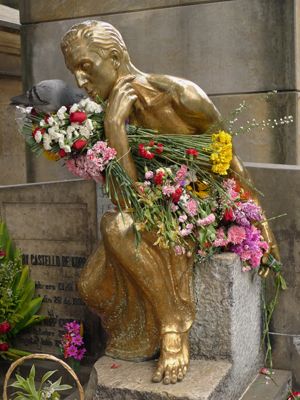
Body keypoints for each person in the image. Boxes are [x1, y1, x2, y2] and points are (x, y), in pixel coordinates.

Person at [61, 20, 279, 384]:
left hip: (197, 205)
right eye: (74, 72)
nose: (81, 82)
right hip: (148, 206)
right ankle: (144, 334)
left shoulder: (178, 96)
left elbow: (231, 159)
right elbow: (127, 197)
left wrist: (263, 226)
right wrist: (115, 129)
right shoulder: (103, 117)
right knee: (90, 285)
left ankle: (173, 328)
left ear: (114, 57)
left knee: (115, 225)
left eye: (86, 66)